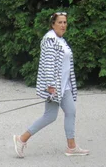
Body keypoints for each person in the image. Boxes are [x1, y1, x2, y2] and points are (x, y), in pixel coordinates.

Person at [13, 11, 89, 157]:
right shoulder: (50, 39)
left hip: (64, 86)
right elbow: (48, 63)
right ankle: (21, 139)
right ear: (53, 24)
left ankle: (71, 147)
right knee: (50, 116)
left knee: (70, 112)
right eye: (59, 22)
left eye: (65, 22)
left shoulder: (61, 40)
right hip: (55, 87)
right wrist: (50, 85)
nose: (63, 25)